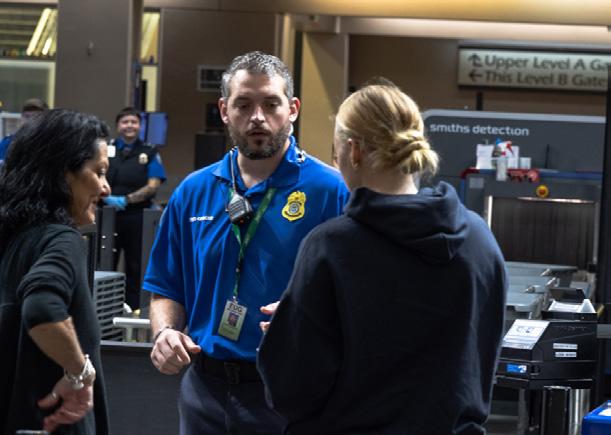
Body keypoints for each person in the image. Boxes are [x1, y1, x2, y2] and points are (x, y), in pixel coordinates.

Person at [257, 83, 508, 434]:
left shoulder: (331, 247)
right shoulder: (479, 240)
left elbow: (294, 392)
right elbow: (481, 365)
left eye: (335, 152)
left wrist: (287, 335)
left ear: (353, 150)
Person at [143, 51, 349, 434]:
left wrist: (307, 318)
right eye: (243, 104)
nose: (257, 117)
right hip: (204, 391)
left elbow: (356, 296)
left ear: (293, 109)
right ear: (224, 110)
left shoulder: (331, 191)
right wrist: (165, 332)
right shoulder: (193, 191)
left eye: (270, 104)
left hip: (290, 391)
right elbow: (165, 287)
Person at [0, 109, 112, 434]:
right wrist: (80, 373)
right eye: (99, 172)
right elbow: (42, 308)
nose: (106, 188)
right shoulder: (61, 240)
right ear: (63, 174)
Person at [103, 106, 166, 310]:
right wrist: (105, 196)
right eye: (125, 122)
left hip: (137, 216)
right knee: (105, 262)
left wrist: (126, 200)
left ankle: (135, 309)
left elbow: (153, 185)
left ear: (140, 126)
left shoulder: (149, 151)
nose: (129, 125)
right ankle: (104, 308)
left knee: (136, 264)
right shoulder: (106, 148)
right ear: (118, 126)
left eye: (134, 122)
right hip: (107, 215)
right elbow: (95, 174)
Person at [0, 98, 49, 182]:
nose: (30, 121)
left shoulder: (49, 148)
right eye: (27, 116)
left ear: (45, 121)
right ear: (21, 119)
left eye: (36, 117)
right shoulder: (7, 143)